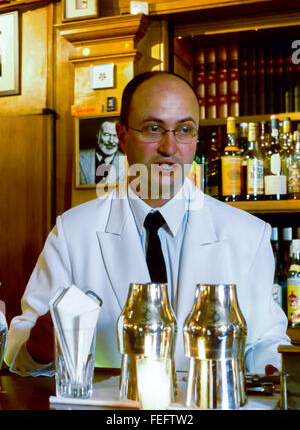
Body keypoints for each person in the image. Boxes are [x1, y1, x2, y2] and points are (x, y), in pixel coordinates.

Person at [5, 71, 290, 377]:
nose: (170, 147)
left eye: (184, 130)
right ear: (123, 137)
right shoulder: (73, 232)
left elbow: (265, 341)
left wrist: (273, 369)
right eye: (154, 128)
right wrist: (37, 349)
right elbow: (21, 352)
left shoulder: (247, 233)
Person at [79, 119, 126, 185]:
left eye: (115, 136)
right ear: (98, 135)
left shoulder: (126, 161)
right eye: (106, 135)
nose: (111, 141)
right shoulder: (79, 158)